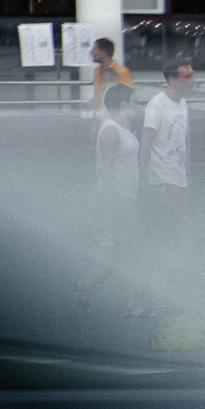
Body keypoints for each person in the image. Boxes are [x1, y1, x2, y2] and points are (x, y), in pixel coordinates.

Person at [76, 83, 142, 316]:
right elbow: (106, 169)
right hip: (118, 197)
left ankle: (87, 285)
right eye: (134, 102)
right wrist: (106, 202)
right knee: (129, 250)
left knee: (122, 252)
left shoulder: (122, 129)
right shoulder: (110, 130)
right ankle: (130, 302)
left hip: (127, 195)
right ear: (123, 104)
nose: (136, 106)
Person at [139, 60, 197, 296]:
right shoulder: (157, 105)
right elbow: (146, 142)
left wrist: (188, 171)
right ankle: (195, 278)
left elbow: (182, 141)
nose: (192, 81)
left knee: (165, 231)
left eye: (192, 76)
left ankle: (149, 278)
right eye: (187, 77)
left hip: (177, 174)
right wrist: (144, 180)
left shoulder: (182, 104)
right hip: (162, 177)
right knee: (182, 228)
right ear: (172, 79)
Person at [88, 37, 130, 116]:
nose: (91, 53)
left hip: (115, 115)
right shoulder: (97, 71)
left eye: (95, 49)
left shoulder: (121, 71)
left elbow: (128, 96)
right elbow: (98, 94)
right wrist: (91, 104)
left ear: (103, 52)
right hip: (98, 116)